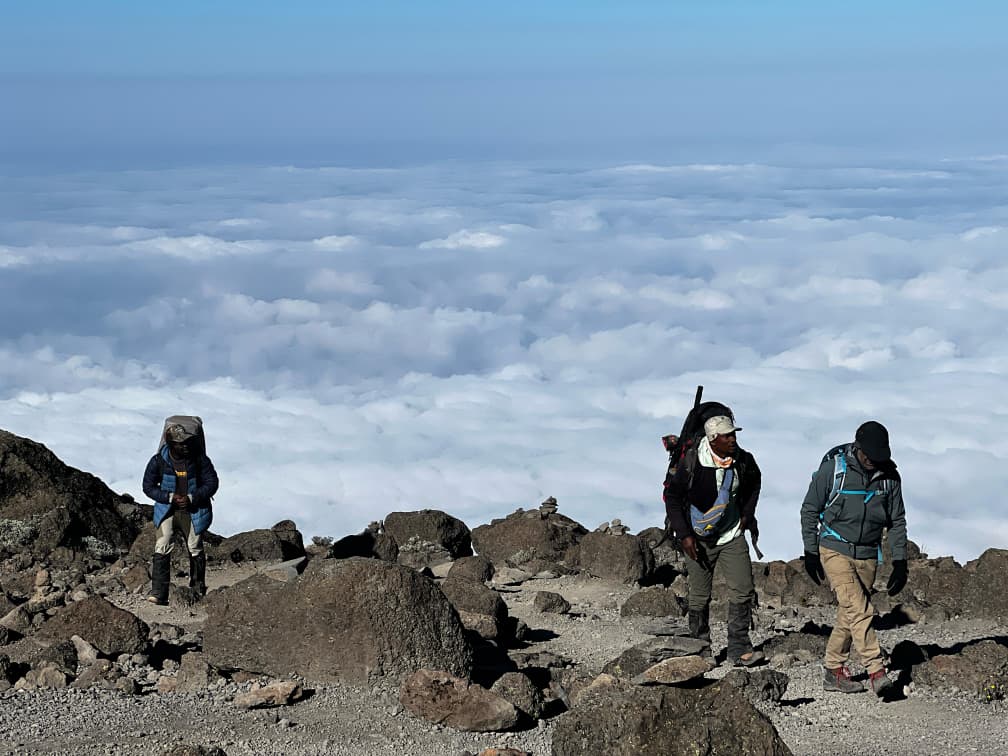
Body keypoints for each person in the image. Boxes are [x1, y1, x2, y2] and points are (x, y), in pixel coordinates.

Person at [800, 420, 908, 697]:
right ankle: (876, 671)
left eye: (878, 456)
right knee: (860, 611)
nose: (873, 461)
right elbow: (810, 510)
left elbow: (896, 520)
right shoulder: (834, 470)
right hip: (834, 547)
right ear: (858, 448)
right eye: (869, 455)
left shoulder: (889, 477)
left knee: (849, 616)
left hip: (868, 554)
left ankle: (833, 671)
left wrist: (900, 560)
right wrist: (811, 551)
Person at [663, 415, 764, 666]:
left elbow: (754, 483)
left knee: (743, 589)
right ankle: (700, 648)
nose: (733, 439)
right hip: (697, 538)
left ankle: (739, 647)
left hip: (731, 534)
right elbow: (673, 499)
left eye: (733, 434)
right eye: (727, 436)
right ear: (712, 439)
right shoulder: (692, 463)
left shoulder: (743, 460)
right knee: (699, 595)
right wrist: (685, 535)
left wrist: (746, 516)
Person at [142, 421, 219, 605]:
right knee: (162, 545)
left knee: (195, 547)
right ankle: (159, 593)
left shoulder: (200, 460)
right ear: (170, 443)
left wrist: (192, 498)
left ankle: (197, 590)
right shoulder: (158, 461)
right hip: (167, 510)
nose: (184, 446)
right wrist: (169, 497)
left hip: (193, 510)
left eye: (186, 442)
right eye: (179, 443)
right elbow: (148, 486)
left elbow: (212, 483)